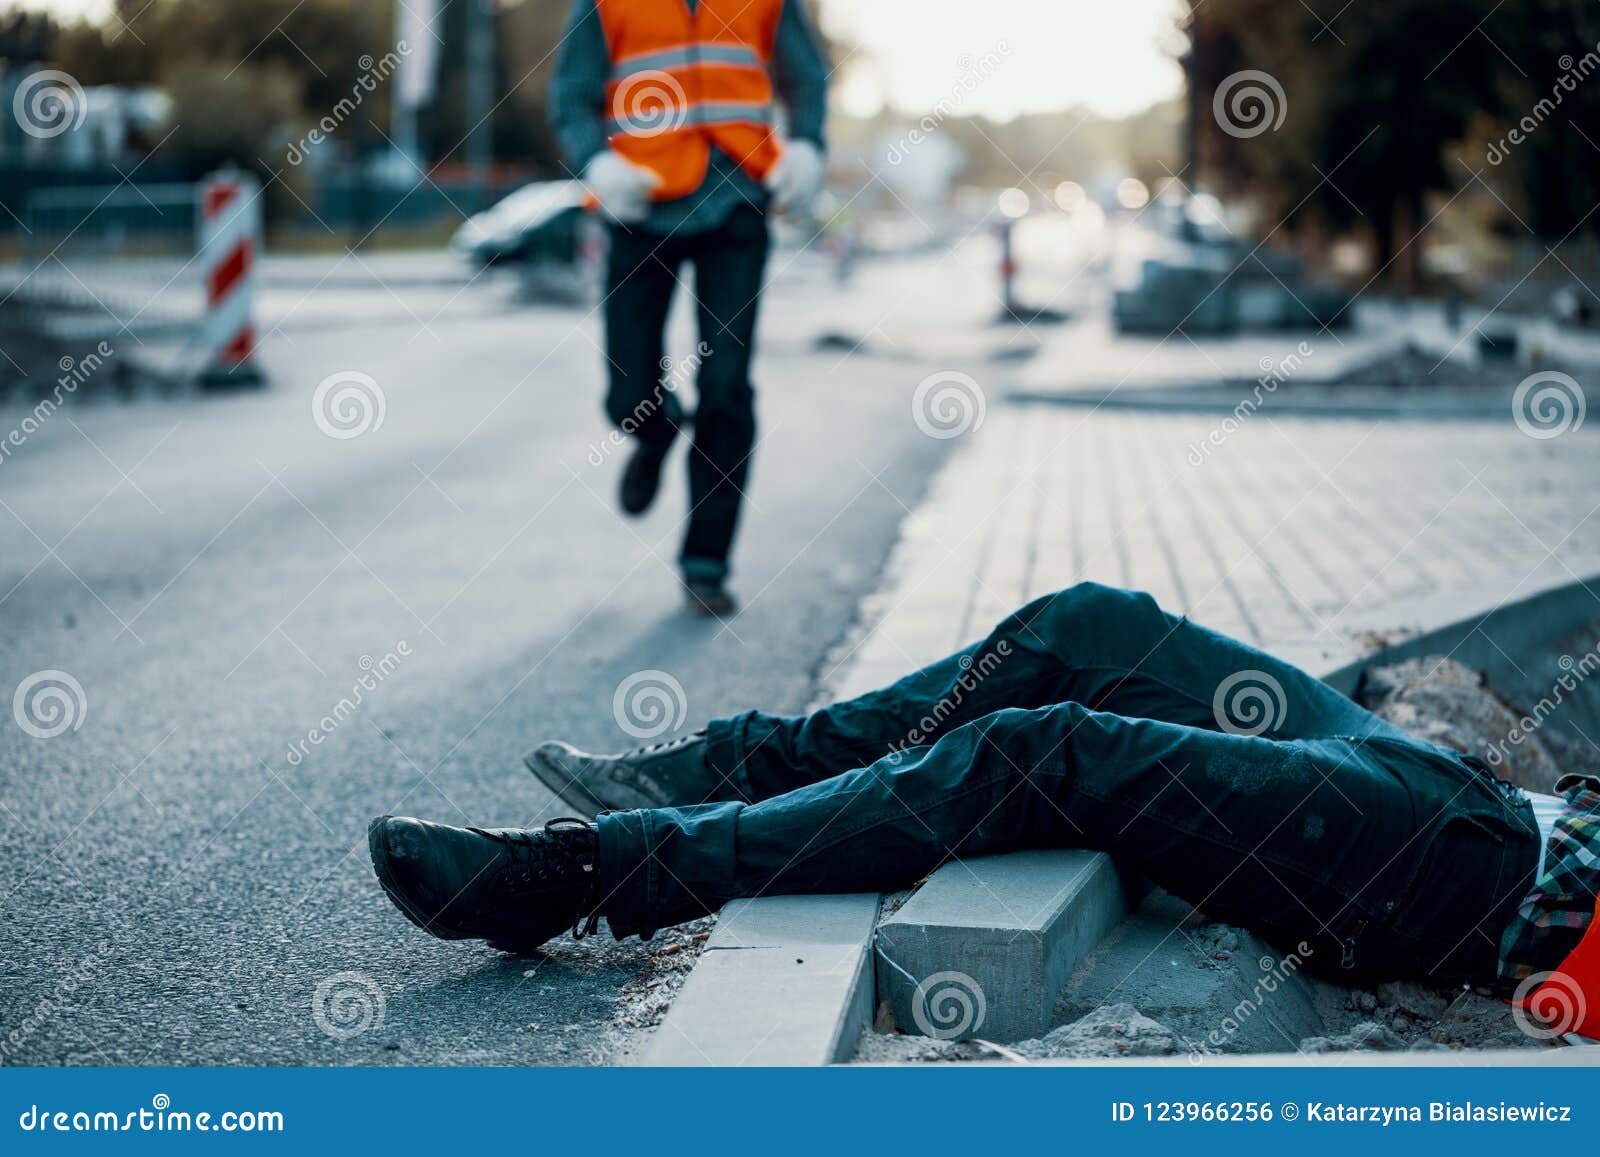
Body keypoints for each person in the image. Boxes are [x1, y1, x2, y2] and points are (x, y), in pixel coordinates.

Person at [369, 583, 1599, 1036]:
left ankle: (597, 873)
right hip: (1487, 803)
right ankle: (721, 770)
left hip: (1478, 891)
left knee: (1038, 755)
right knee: (1088, 628)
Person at [550, 0, 829, 615]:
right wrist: (597, 163)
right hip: (638, 203)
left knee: (726, 385)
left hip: (736, 199)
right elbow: (572, 96)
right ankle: (653, 432)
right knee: (630, 391)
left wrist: (807, 145)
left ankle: (706, 562)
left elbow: (806, 77)